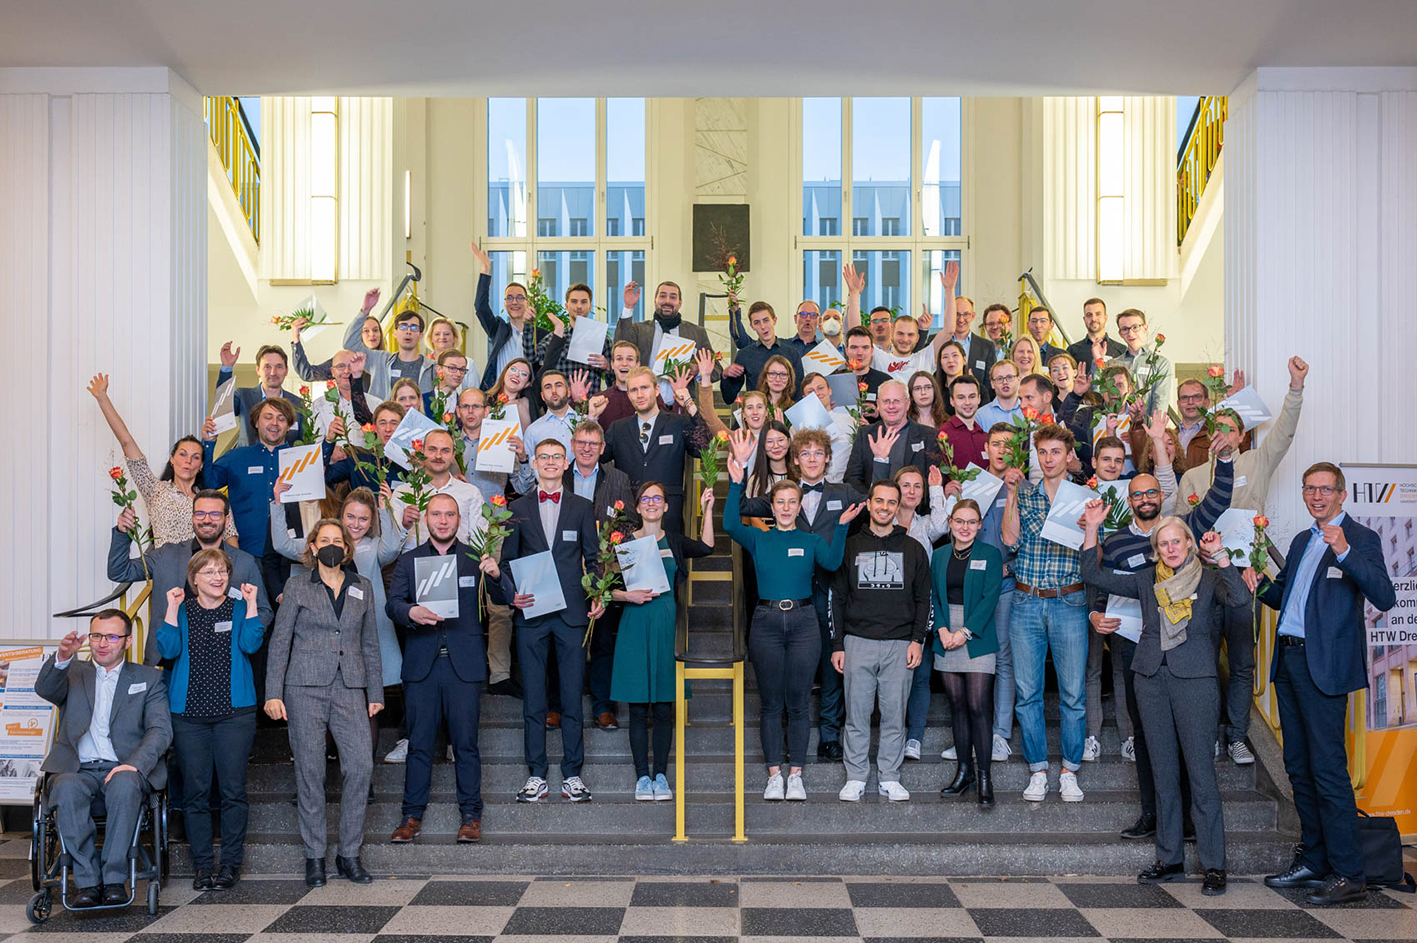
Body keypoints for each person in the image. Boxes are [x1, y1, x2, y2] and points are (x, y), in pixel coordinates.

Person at [1252, 463, 1396, 906]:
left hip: (1326, 669)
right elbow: (1284, 597)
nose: (1317, 496)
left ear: (1342, 494)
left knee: (1329, 770)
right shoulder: (1301, 541)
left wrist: (1347, 551)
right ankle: (1315, 859)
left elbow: (1385, 597)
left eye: (1325, 489)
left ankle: (1350, 872)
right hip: (1291, 662)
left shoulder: (1360, 538)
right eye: (1310, 488)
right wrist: (1258, 584)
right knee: (1298, 766)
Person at [1082, 508, 1240, 896]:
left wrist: (1221, 555)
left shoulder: (1210, 578)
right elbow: (1094, 575)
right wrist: (1090, 531)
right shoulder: (1145, 580)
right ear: (1156, 549)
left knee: (1201, 775)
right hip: (1151, 679)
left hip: (1196, 683)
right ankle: (1170, 860)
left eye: (1177, 541)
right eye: (1163, 543)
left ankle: (1215, 866)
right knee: (1163, 773)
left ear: (1189, 544)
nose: (1170, 548)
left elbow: (1239, 599)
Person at [1089, 448, 1236, 841]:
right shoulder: (1118, 543)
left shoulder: (1183, 536)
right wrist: (1094, 614)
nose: (1146, 498)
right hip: (1137, 649)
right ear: (1130, 500)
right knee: (1148, 737)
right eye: (1138, 494)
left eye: (1152, 491)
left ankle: (1190, 822)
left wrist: (1223, 459)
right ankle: (1154, 815)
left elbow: (1220, 498)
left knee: (1188, 742)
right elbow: (1102, 579)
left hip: (1187, 657)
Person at [1181, 356, 1308, 763]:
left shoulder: (1257, 462)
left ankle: (1236, 735)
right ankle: (1206, 734)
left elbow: (1285, 434)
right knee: (1200, 662)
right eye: (1216, 428)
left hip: (1246, 577)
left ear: (1241, 436)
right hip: (1202, 581)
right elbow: (1182, 533)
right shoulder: (1192, 478)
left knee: (1240, 663)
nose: (1223, 435)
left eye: (1231, 430)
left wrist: (1295, 388)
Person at [724, 461, 860, 801]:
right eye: (780, 502)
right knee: (771, 704)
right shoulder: (758, 538)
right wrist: (736, 483)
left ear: (799, 508)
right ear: (772, 507)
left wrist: (841, 527)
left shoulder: (811, 540)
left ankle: (796, 774)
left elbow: (831, 563)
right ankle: (774, 775)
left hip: (803, 623)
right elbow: (728, 523)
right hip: (767, 623)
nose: (786, 508)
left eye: (791, 503)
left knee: (799, 704)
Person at [264, 518, 383, 888]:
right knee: (311, 773)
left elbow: (370, 644)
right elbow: (280, 642)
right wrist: (273, 692)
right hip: (304, 687)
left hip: (350, 687)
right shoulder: (297, 586)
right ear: (313, 547)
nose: (331, 545)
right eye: (324, 539)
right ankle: (314, 856)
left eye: (338, 540)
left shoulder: (362, 587)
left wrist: (375, 693)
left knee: (361, 767)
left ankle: (349, 854)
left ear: (347, 549)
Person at [386, 494, 503, 845]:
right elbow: (393, 605)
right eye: (436, 514)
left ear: (458, 519)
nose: (442, 520)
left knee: (466, 744)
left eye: (449, 514)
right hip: (422, 665)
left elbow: (505, 596)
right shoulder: (409, 561)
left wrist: (496, 574)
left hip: (463, 666)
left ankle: (471, 816)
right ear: (426, 517)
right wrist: (411, 613)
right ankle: (411, 816)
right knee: (419, 744)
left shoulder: (473, 559)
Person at [491, 438, 603, 802]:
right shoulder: (517, 508)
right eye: (544, 457)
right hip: (532, 613)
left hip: (571, 613)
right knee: (534, 699)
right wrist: (511, 594)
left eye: (557, 457)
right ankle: (536, 774)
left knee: (572, 698)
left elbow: (595, 558)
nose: (551, 462)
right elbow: (506, 561)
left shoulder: (583, 507)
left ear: (566, 462)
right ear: (534, 463)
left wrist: (599, 593)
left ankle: (573, 774)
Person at [37, 612, 171, 908]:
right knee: (67, 788)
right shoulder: (73, 673)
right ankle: (87, 882)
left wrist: (134, 764)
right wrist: (62, 656)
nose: (102, 643)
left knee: (125, 786)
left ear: (127, 640)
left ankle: (113, 879)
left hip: (123, 767)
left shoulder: (148, 678)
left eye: (111, 637)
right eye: (97, 636)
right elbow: (44, 690)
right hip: (77, 768)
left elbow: (160, 731)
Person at [272, 485, 404, 765]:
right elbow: (282, 545)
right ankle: (323, 769)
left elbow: (393, 547)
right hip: (326, 646)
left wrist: (385, 508)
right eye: (350, 517)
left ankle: (362, 777)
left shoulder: (374, 546)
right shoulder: (323, 545)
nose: (356, 524)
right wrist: (277, 502)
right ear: (340, 516)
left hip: (366, 636)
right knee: (327, 712)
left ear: (371, 523)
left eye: (363, 519)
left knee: (367, 708)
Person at [155, 552, 264, 891]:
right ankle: (203, 867)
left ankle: (230, 865)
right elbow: (168, 650)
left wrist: (252, 603)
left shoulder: (238, 608)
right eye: (209, 571)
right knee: (195, 793)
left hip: (234, 715)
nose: (218, 576)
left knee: (233, 792)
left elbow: (251, 642)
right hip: (189, 717)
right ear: (194, 579)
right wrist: (171, 609)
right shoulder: (183, 611)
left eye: (223, 570)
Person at [611, 483, 716, 799]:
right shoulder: (625, 542)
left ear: (666, 507)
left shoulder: (675, 541)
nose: (652, 503)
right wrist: (627, 595)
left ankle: (660, 775)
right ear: (638, 506)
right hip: (634, 623)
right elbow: (603, 588)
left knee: (664, 707)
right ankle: (642, 777)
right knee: (639, 708)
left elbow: (708, 547)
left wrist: (708, 509)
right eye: (647, 499)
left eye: (658, 498)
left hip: (666, 626)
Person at [1001, 422, 1088, 802]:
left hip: (1069, 601)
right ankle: (1038, 769)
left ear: (1068, 457)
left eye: (1055, 452)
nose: (1049, 459)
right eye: (1043, 452)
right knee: (1028, 693)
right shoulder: (1025, 493)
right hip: (1026, 601)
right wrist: (1009, 493)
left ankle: (1070, 770)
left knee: (1072, 694)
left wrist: (1092, 529)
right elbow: (1009, 539)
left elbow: (1094, 558)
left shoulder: (1085, 498)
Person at [832, 479, 929, 803]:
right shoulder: (850, 546)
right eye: (880, 501)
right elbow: (838, 598)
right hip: (857, 641)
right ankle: (856, 777)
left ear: (898, 506)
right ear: (869, 504)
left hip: (900, 645)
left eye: (891, 502)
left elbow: (924, 600)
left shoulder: (913, 549)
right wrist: (838, 644)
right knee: (856, 716)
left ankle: (889, 776)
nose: (885, 508)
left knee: (893, 716)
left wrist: (917, 640)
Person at [108, 489, 271, 665]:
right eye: (200, 513)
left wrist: (241, 638)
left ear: (227, 519)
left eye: (215, 514)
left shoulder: (244, 562)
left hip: (224, 663)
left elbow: (264, 611)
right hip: (168, 660)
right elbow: (119, 571)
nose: (207, 520)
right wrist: (123, 532)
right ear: (192, 517)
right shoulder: (166, 554)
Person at [88, 373, 238, 548]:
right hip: (165, 571)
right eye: (182, 454)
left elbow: (231, 540)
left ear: (201, 466)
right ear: (172, 460)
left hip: (205, 572)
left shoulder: (213, 499)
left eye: (195, 457)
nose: (188, 461)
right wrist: (102, 399)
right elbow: (126, 442)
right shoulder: (155, 490)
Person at [932, 498, 1005, 806]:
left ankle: (984, 776)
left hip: (978, 632)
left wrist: (964, 632)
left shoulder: (990, 554)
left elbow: (990, 598)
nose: (965, 527)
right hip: (946, 631)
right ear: (950, 523)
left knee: (978, 705)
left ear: (980, 525)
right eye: (959, 521)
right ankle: (965, 773)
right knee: (958, 706)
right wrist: (943, 630)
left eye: (971, 522)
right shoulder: (938, 555)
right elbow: (932, 596)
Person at [564, 421, 636, 730]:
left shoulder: (618, 479)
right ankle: (557, 705)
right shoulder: (558, 475)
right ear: (572, 444)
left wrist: (612, 547)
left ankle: (603, 706)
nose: (586, 448)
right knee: (563, 640)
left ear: (602, 448)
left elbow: (630, 522)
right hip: (564, 570)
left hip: (603, 570)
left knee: (603, 641)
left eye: (593, 444)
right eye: (581, 442)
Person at [201, 398, 298, 603]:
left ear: (288, 425)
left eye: (281, 419)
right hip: (247, 553)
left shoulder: (302, 458)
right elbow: (208, 484)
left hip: (292, 555)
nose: (274, 423)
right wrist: (209, 444)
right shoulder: (236, 457)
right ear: (255, 422)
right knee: (248, 614)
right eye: (268, 417)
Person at [601, 366, 708, 533]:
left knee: (670, 559)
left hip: (669, 516)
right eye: (634, 390)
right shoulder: (618, 428)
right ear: (629, 395)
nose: (640, 394)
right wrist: (591, 417)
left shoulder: (678, 423)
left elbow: (704, 448)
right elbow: (594, 459)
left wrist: (690, 404)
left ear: (657, 389)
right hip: (629, 517)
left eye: (645, 388)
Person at [895, 465, 952, 760]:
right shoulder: (883, 522)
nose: (912, 491)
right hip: (888, 612)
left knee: (920, 675)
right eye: (906, 485)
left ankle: (914, 737)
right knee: (893, 677)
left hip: (921, 609)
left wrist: (936, 490)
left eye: (917, 486)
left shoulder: (926, 524)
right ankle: (894, 734)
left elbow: (944, 526)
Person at [614, 280, 721, 395]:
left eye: (673, 297)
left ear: (680, 303)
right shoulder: (639, 330)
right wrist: (628, 306)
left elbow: (717, 370)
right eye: (662, 296)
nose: (667, 301)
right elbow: (620, 345)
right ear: (655, 301)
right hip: (644, 403)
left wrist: (699, 371)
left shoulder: (696, 333)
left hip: (682, 405)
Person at [470, 244, 553, 389]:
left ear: (528, 303)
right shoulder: (499, 330)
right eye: (509, 298)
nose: (514, 302)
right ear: (504, 304)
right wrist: (485, 271)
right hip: (498, 396)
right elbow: (480, 307)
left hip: (527, 399)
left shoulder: (542, 335)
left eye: (520, 297)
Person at [390, 429, 486, 549]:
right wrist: (404, 525)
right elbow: (390, 550)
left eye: (445, 451)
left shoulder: (471, 493)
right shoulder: (403, 492)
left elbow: (480, 544)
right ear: (422, 453)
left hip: (459, 564)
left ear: (453, 455)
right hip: (413, 565)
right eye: (432, 449)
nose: (438, 456)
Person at [843, 380, 938, 500]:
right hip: (874, 512)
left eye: (896, 401)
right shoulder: (865, 434)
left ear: (907, 404)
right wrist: (872, 503)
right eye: (886, 401)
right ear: (878, 404)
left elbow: (933, 481)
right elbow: (852, 479)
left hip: (915, 513)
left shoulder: (928, 435)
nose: (891, 406)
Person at [213, 342, 305, 446]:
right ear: (258, 370)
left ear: (286, 371)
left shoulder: (298, 404)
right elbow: (222, 408)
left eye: (279, 367)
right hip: (247, 460)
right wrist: (227, 367)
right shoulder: (243, 396)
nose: (273, 372)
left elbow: (303, 442)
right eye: (267, 367)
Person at [343, 302, 436, 400]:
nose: (408, 331)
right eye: (403, 327)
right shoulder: (379, 360)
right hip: (383, 414)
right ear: (395, 333)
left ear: (420, 335)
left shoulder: (431, 367)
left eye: (414, 327)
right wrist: (364, 312)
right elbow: (350, 343)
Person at [457, 387, 534, 504]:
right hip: (459, 518)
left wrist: (523, 459)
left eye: (476, 406)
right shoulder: (448, 445)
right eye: (465, 406)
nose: (470, 411)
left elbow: (523, 489)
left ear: (486, 411)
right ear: (458, 411)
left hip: (494, 519)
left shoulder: (503, 443)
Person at [722, 301, 806, 404]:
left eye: (766, 320)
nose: (763, 326)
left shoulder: (792, 353)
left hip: (786, 415)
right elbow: (729, 398)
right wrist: (725, 376)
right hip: (756, 415)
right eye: (757, 322)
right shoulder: (744, 355)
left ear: (774, 320)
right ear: (752, 326)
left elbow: (798, 394)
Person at [291, 290, 383, 383]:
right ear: (357, 335)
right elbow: (308, 373)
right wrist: (296, 337)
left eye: (376, 330)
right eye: (366, 331)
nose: (372, 334)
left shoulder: (387, 361)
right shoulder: (344, 361)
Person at [324, 401, 408, 493]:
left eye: (394, 423)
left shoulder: (411, 465)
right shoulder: (358, 462)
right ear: (375, 428)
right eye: (383, 423)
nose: (388, 429)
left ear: (402, 427)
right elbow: (324, 476)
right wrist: (329, 439)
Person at [1107, 309, 1173, 413]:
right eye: (1125, 329)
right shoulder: (1113, 364)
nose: (1130, 333)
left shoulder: (1160, 363)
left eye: (1135, 327)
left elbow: (1160, 401)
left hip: (1146, 426)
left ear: (1145, 328)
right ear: (1120, 333)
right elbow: (1105, 397)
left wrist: (1155, 426)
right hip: (1117, 424)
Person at [799, 372, 858, 483]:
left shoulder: (849, 420)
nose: (817, 393)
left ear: (829, 391)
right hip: (811, 485)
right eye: (811, 391)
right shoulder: (797, 426)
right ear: (804, 398)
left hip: (845, 485)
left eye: (820, 388)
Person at [942, 283, 997, 398]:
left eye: (966, 314)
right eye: (956, 314)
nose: (961, 319)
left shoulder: (986, 347)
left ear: (972, 316)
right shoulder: (938, 342)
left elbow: (990, 385)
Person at [310, 350, 378, 439]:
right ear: (333, 372)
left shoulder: (377, 404)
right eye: (341, 366)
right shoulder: (318, 406)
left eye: (351, 366)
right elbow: (315, 443)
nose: (346, 371)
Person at [523, 369, 581, 456]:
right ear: (542, 396)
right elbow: (528, 468)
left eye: (558, 385)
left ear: (568, 392)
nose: (554, 391)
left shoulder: (584, 421)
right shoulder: (532, 431)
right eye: (548, 387)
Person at [1066, 298, 1126, 377]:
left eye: (1098, 314)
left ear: (1105, 318)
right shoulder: (1072, 351)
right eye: (1089, 315)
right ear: (1084, 319)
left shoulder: (1121, 350)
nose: (1093, 319)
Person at [940, 376, 989, 471]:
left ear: (979, 399)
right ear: (952, 401)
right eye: (961, 397)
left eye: (972, 397)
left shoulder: (985, 437)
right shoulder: (943, 435)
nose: (967, 402)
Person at [843, 327, 892, 413]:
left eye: (865, 347)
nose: (859, 353)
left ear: (872, 350)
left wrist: (878, 413)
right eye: (854, 347)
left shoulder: (885, 381)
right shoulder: (837, 381)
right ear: (847, 351)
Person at [486, 358, 538, 432]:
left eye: (523, 374)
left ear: (527, 384)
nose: (516, 375)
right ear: (505, 372)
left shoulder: (526, 405)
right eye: (513, 369)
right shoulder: (485, 399)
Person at [975, 360, 1023, 430]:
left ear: (1019, 380)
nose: (1005, 382)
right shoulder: (981, 416)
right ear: (992, 384)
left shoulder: (1029, 413)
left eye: (1009, 377)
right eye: (999, 379)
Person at [423, 349, 471, 416]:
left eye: (462, 369)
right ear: (439, 369)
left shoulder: (466, 405)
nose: (458, 374)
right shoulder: (423, 401)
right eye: (452, 368)